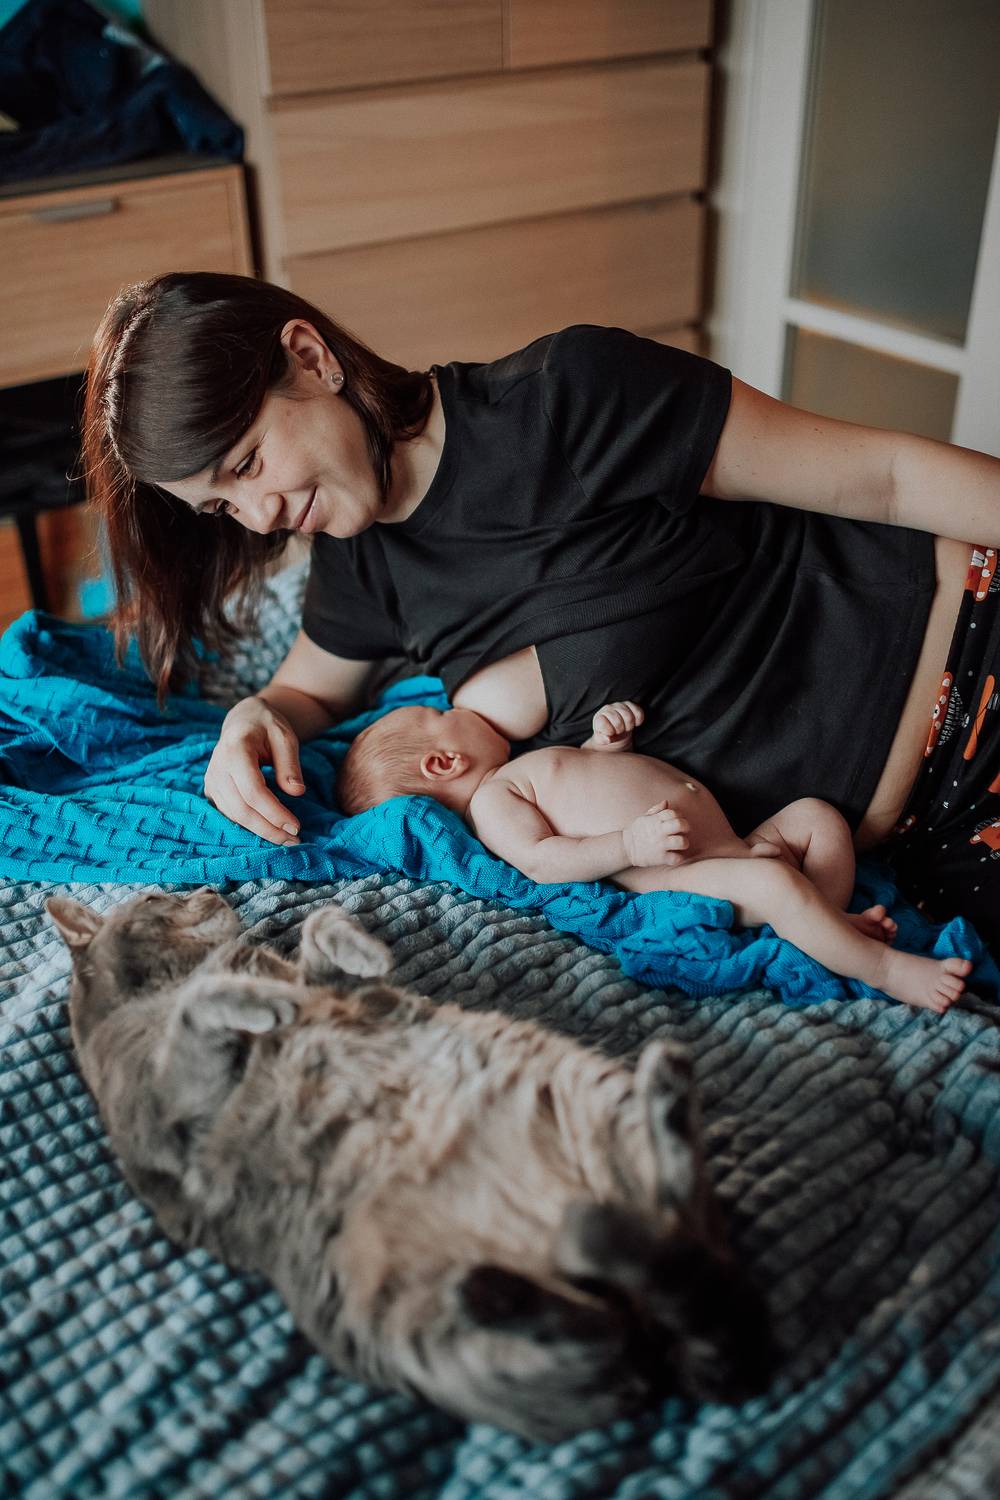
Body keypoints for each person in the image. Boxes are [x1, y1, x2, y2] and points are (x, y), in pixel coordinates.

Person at [81, 272, 1000, 951]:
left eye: (247, 465)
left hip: (971, 659)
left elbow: (884, 479)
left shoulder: (569, 395)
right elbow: (306, 695)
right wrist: (250, 718)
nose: (261, 518)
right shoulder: (358, 561)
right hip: (906, 850)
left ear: (312, 359)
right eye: (223, 507)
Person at [335, 697, 972, 1013]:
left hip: (735, 845)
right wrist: (627, 846)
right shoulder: (493, 805)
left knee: (817, 818)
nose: (457, 706)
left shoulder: (522, 769)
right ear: (444, 762)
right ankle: (884, 969)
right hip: (687, 871)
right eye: (441, 712)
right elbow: (545, 860)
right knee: (780, 889)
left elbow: (589, 783)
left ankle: (823, 927)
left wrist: (604, 743)